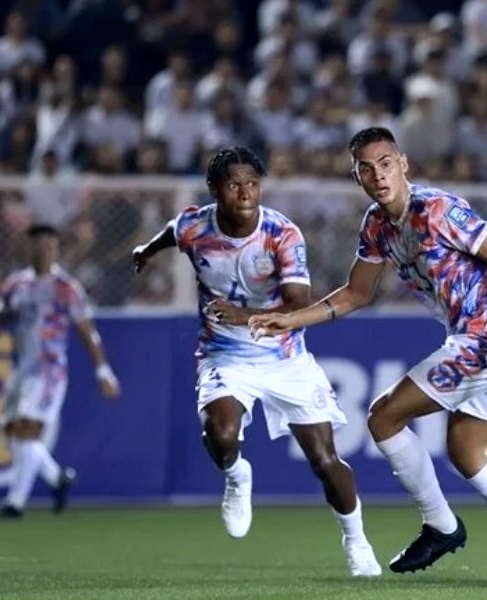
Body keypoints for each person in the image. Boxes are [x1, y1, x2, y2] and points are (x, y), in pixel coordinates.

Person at [248, 127, 487, 584]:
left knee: (383, 417)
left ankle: (440, 526)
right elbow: (357, 293)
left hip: (486, 337)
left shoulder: (437, 210)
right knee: (467, 451)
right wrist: (292, 320)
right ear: (357, 177)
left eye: (385, 163)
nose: (378, 175)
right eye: (366, 169)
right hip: (476, 336)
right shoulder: (376, 226)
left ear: (403, 164)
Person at [130, 146, 380, 577]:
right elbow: (173, 230)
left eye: (252, 183)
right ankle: (236, 475)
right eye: (234, 184)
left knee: (325, 461)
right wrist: (146, 250)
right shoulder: (195, 226)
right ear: (214, 189)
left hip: (286, 358)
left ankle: (356, 540)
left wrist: (244, 315)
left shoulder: (281, 234)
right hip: (225, 354)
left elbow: (298, 302)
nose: (245, 193)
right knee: (221, 433)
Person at [0, 224, 121, 518]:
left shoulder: (66, 288)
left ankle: (15, 503)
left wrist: (103, 370)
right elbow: (3, 311)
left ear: (56, 249)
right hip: (20, 368)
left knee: (27, 430)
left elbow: (87, 331)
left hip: (49, 370)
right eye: (38, 245)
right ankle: (57, 478)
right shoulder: (17, 283)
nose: (43, 251)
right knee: (12, 432)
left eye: (49, 246)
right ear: (28, 248)